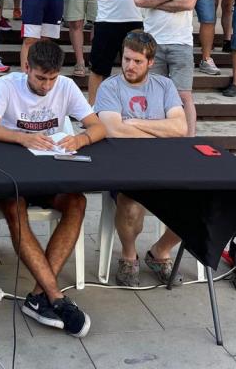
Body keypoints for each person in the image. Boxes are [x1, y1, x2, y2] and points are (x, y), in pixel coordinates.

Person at [0, 39, 105, 338]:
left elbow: (97, 126)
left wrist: (80, 140)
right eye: (40, 78)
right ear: (26, 69)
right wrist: (22, 137)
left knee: (77, 201)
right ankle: (56, 298)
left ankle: (39, 295)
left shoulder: (67, 87)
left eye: (52, 78)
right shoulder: (8, 85)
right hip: (11, 175)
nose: (47, 86)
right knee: (12, 206)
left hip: (50, 172)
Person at [95, 31, 187, 285]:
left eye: (137, 61)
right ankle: (128, 256)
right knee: (130, 204)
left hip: (164, 164)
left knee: (196, 203)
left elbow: (180, 128)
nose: (130, 66)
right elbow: (113, 130)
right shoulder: (109, 87)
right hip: (123, 165)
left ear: (150, 62)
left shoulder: (165, 86)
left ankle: (160, 252)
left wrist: (133, 122)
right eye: (126, 59)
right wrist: (160, 129)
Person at [134, 0, 200, 134]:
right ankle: (157, 135)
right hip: (152, 43)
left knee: (183, 95)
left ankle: (189, 138)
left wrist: (153, 0)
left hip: (181, 42)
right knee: (153, 94)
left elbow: (188, 2)